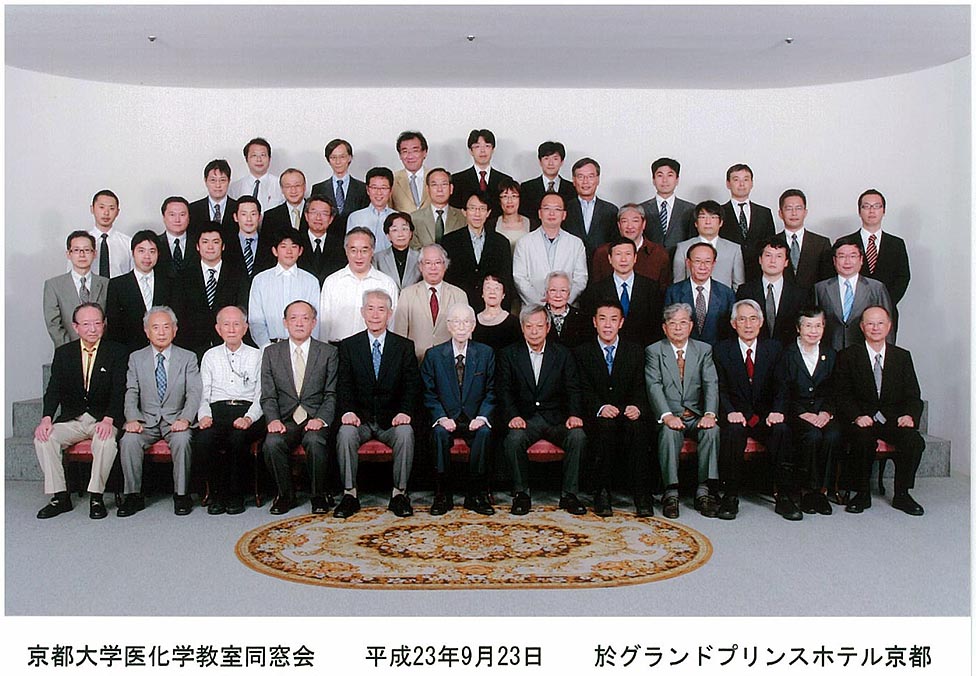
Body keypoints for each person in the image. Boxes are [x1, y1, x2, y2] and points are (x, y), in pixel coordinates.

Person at [34, 303, 127, 520]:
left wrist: (109, 418)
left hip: (102, 419)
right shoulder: (64, 353)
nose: (92, 329)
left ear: (104, 324)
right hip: (73, 419)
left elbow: (120, 390)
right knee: (44, 438)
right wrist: (46, 418)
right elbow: (53, 390)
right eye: (86, 324)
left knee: (105, 441)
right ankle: (60, 496)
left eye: (97, 323)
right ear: (76, 327)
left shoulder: (117, 352)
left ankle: (96, 496)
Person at [335, 290, 421, 518]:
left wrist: (405, 412)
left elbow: (411, 385)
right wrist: (348, 411)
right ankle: (350, 494)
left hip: (391, 420)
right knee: (345, 433)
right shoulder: (348, 346)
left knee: (405, 432)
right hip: (360, 420)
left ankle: (399, 494)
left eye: (381, 309)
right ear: (362, 312)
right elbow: (343, 384)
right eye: (370, 309)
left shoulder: (403, 346)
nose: (375, 315)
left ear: (389, 314)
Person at [834, 306, 925, 516]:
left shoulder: (902, 356)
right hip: (863, 419)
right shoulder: (848, 356)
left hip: (893, 420)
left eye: (880, 323)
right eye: (870, 323)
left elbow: (913, 395)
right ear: (862, 327)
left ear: (889, 326)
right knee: (862, 440)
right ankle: (862, 493)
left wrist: (909, 416)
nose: (875, 328)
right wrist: (856, 416)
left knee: (914, 441)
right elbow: (841, 394)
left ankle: (902, 494)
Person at [496, 304, 586, 516]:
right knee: (514, 439)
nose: (534, 331)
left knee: (578, 436)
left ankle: (570, 495)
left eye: (539, 326)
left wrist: (574, 414)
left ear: (548, 327)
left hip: (556, 419)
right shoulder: (509, 354)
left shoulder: (562, 354)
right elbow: (504, 390)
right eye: (529, 326)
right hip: (526, 419)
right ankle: (521, 494)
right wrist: (513, 416)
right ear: (522, 328)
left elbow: (573, 388)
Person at [117, 306, 202, 517]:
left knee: (183, 440)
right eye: (156, 327)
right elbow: (131, 391)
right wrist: (132, 418)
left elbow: (194, 392)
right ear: (147, 331)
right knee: (129, 440)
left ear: (175, 329)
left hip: (176, 419)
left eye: (166, 327)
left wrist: (185, 418)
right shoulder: (136, 358)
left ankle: (181, 495)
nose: (161, 332)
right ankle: (133, 495)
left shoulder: (188, 357)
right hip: (146, 420)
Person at [712, 299, 792, 520]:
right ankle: (730, 497)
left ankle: (784, 497)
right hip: (736, 415)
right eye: (742, 319)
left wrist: (777, 411)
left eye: (753, 319)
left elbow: (782, 386)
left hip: (766, 416)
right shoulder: (721, 350)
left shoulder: (774, 348)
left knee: (782, 430)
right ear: (733, 323)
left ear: (761, 322)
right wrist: (729, 411)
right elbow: (719, 388)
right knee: (732, 432)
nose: (748, 325)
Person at [574, 300, 653, 517]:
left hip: (627, 411)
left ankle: (642, 496)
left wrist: (636, 407)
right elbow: (582, 389)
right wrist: (600, 407)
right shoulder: (582, 352)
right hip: (598, 414)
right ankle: (602, 493)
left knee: (638, 428)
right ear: (594, 322)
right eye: (602, 319)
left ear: (621, 323)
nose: (607, 325)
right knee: (604, 427)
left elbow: (641, 386)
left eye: (613, 319)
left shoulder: (635, 351)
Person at [259, 300, 338, 515]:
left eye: (305, 318)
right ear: (285, 323)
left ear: (314, 322)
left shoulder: (328, 352)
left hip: (315, 417)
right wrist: (273, 419)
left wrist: (321, 419)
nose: (299, 323)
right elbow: (268, 394)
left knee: (315, 440)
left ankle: (318, 495)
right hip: (285, 419)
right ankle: (286, 495)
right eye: (293, 318)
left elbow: (331, 394)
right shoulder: (271, 353)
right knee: (272, 443)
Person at [644, 302, 720, 519]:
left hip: (695, 415)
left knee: (712, 431)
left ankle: (704, 491)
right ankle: (671, 493)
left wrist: (709, 414)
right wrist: (667, 415)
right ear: (664, 327)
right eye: (672, 323)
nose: (678, 328)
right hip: (670, 415)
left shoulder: (703, 350)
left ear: (691, 326)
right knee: (669, 433)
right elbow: (653, 386)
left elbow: (711, 383)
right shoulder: (654, 351)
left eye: (683, 322)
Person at [420, 303, 496, 515]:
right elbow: (428, 393)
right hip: (446, 418)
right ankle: (442, 495)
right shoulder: (434, 355)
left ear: (473, 326)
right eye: (456, 322)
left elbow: (492, 391)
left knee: (485, 432)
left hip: (474, 418)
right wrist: (441, 417)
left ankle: (476, 494)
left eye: (466, 322)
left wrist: (482, 417)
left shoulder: (486, 353)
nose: (461, 327)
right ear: (448, 325)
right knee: (438, 433)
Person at [195, 306, 265, 515]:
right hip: (217, 411)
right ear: (218, 329)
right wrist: (204, 416)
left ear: (245, 328)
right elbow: (203, 393)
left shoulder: (257, 355)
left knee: (237, 438)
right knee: (205, 438)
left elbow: (261, 395)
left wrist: (249, 418)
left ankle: (236, 494)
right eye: (226, 324)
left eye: (237, 324)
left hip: (247, 410)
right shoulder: (210, 355)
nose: (232, 329)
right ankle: (217, 494)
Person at [774, 308, 841, 516]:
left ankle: (822, 492)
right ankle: (807, 492)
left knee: (833, 435)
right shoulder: (787, 354)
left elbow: (835, 390)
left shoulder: (831, 354)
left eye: (818, 325)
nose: (813, 331)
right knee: (812, 436)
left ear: (824, 327)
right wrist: (802, 413)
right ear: (798, 328)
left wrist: (826, 413)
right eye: (808, 325)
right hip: (797, 414)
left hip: (822, 413)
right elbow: (782, 390)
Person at [835, 189, 911, 339]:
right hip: (850, 315)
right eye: (866, 206)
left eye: (876, 206)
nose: (871, 211)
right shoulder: (845, 243)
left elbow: (903, 277)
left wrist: (883, 304)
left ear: (884, 211)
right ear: (859, 211)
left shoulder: (896, 244)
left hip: (884, 314)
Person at [170, 224, 249, 361]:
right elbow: (178, 312)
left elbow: (242, 308)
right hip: (192, 347)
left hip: (229, 346)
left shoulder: (238, 275)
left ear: (223, 246)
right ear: (197, 246)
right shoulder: (183, 276)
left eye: (216, 242)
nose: (210, 247)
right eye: (205, 242)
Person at [319, 227, 399, 343]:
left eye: (364, 250)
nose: (359, 256)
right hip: (337, 346)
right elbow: (323, 325)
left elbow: (392, 323)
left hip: (373, 347)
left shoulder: (386, 283)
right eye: (353, 250)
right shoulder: (332, 281)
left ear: (372, 251)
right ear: (346, 251)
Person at [813, 240, 893, 352]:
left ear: (861, 260)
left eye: (852, 256)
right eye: (842, 256)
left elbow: (887, 326)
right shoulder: (820, 288)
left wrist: (887, 355)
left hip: (863, 352)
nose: (847, 261)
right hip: (830, 352)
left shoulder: (876, 288)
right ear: (834, 261)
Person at [582, 237, 662, 346]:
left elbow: (656, 326)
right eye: (618, 254)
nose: (623, 259)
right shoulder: (595, 290)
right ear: (610, 259)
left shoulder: (651, 288)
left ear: (635, 258)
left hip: (643, 349)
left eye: (628, 254)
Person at [441, 192, 514, 312]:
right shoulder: (449, 241)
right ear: (464, 212)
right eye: (472, 208)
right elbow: (446, 280)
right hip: (459, 308)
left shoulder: (501, 242)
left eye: (482, 209)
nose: (477, 213)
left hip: (491, 310)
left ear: (488, 213)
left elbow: (506, 281)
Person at [394, 244, 468, 361]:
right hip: (415, 361)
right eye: (428, 263)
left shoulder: (459, 295)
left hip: (449, 362)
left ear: (445, 265)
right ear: (420, 266)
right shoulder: (407, 294)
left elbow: (466, 334)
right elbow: (399, 336)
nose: (433, 268)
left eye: (438, 263)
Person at [248, 230, 321, 347]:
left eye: (294, 246)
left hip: (303, 347)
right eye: (283, 246)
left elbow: (315, 320)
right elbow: (256, 321)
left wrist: (307, 347)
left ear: (300, 251)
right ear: (274, 251)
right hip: (270, 346)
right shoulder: (260, 280)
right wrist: (267, 347)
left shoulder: (311, 281)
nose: (289, 251)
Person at [512, 193, 588, 306]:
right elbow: (520, 278)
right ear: (540, 213)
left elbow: (580, 279)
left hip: (567, 307)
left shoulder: (576, 243)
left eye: (557, 209)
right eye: (547, 208)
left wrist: (562, 301)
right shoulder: (524, 243)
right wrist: (541, 302)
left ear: (564, 215)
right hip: (533, 308)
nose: (552, 213)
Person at [106, 230, 172, 353]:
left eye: (152, 251)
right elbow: (114, 326)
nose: (147, 256)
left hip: (165, 350)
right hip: (129, 351)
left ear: (158, 254)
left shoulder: (170, 283)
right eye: (141, 251)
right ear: (133, 253)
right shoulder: (117, 285)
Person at [45, 230, 109, 348]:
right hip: (67, 351)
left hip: (102, 350)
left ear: (94, 253)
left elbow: (109, 320)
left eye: (87, 250)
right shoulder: (54, 285)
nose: (82, 254)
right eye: (76, 250)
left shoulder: (107, 284)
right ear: (68, 254)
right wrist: (71, 350)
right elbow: (53, 324)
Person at [663, 242, 735, 346]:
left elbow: (730, 331)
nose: (703, 266)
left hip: (717, 351)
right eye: (697, 261)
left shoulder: (726, 293)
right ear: (688, 263)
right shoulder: (673, 292)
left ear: (714, 264)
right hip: (684, 350)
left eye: (707, 261)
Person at [735, 239, 805, 345]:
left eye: (779, 256)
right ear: (760, 260)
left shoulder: (800, 294)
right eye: (768, 255)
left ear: (786, 262)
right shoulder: (745, 291)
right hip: (756, 351)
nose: (773, 261)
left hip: (788, 351)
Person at [590, 203, 671, 294]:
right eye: (624, 221)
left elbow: (665, 291)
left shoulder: (659, 253)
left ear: (643, 224)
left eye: (635, 221)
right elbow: (595, 290)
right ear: (619, 225)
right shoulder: (602, 253)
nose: (629, 226)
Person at [719, 164, 776, 282]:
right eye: (736, 180)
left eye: (746, 179)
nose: (741, 184)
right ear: (728, 184)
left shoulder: (764, 213)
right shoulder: (719, 213)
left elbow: (771, 245)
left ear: (752, 183)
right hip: (727, 274)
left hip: (758, 274)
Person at [673, 200, 745, 291]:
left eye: (713, 217)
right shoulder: (683, 248)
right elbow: (678, 284)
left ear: (721, 222)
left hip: (724, 299)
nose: (708, 222)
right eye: (703, 217)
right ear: (696, 223)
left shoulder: (734, 249)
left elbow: (738, 285)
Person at [772, 189, 833, 291]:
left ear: (805, 212)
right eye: (789, 209)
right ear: (780, 213)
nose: (794, 213)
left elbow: (827, 280)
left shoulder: (821, 243)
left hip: (813, 299)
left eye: (798, 208)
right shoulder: (771, 243)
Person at [562, 157, 618, 267]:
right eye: (580, 176)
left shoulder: (611, 210)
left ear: (598, 180)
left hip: (602, 268)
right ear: (574, 181)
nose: (585, 181)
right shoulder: (564, 209)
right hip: (570, 267)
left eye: (590, 176)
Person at [448, 128, 513, 219]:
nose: (482, 150)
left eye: (487, 146)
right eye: (477, 146)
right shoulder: (457, 180)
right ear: (470, 151)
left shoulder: (505, 180)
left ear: (493, 149)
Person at [310, 138, 370, 232]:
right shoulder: (318, 189)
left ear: (349, 158)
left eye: (342, 157)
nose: (338, 162)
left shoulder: (362, 188)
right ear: (328, 160)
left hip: (355, 237)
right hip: (328, 238)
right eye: (333, 157)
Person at [640, 157, 694, 252]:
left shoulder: (690, 209)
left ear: (677, 180)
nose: (665, 180)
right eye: (660, 175)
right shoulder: (641, 209)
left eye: (670, 175)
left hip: (680, 258)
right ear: (653, 180)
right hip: (650, 258)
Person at [518, 141, 577, 228]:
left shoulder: (572, 188)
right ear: (540, 161)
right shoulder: (526, 188)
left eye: (555, 159)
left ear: (562, 162)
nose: (550, 163)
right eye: (546, 158)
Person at [222, 195, 276, 280]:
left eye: (253, 214)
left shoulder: (270, 244)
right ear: (235, 217)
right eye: (244, 214)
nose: (249, 219)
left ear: (259, 217)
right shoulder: (226, 245)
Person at [296, 194, 346, 286]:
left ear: (331, 219)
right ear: (306, 216)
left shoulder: (340, 245)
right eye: (314, 212)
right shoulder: (296, 242)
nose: (318, 217)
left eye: (324, 213)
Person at [410, 167, 466, 248]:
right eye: (434, 185)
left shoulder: (463, 217)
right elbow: (414, 249)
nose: (440, 189)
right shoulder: (414, 218)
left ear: (451, 189)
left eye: (444, 184)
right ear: (427, 189)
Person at [346, 167, 397, 252]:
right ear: (367, 190)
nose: (379, 192)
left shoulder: (397, 218)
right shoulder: (355, 217)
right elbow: (350, 248)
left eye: (383, 188)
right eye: (374, 187)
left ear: (390, 191)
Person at [227, 137, 283, 213]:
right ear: (246, 159)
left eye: (263, 155)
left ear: (269, 159)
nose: (259, 159)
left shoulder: (280, 185)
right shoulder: (235, 188)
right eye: (254, 155)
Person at [87, 189, 132, 279]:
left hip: (119, 287)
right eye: (101, 207)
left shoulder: (127, 243)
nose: (106, 213)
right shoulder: (81, 242)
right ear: (92, 209)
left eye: (111, 208)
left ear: (117, 212)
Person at [188, 159, 237, 240]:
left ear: (229, 181)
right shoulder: (193, 209)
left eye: (222, 180)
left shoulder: (238, 208)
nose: (218, 185)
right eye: (213, 180)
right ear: (205, 181)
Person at [373, 212, 422, 290]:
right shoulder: (377, 258)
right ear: (388, 236)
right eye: (395, 230)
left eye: (404, 229)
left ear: (411, 233)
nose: (400, 234)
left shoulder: (420, 257)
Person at [472, 274, 521, 351]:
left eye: (497, 288)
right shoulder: (472, 321)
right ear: (482, 293)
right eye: (488, 287)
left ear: (503, 294)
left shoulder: (513, 322)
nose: (492, 292)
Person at [542, 271, 590, 348]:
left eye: (563, 290)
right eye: (553, 290)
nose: (558, 295)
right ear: (546, 293)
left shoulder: (582, 319)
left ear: (569, 294)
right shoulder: (537, 316)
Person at [261, 168, 309, 240]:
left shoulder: (316, 213)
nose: (293, 190)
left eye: (297, 185)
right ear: (282, 189)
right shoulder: (270, 216)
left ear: (304, 187)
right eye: (288, 186)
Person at [156, 196, 197, 280]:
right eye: (172, 214)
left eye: (182, 214)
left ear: (189, 218)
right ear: (164, 217)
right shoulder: (155, 243)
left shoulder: (199, 243)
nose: (177, 220)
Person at [391, 130, 430, 212]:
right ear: (400, 155)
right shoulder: (392, 180)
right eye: (405, 151)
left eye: (415, 151)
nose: (410, 156)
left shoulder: (435, 177)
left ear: (425, 152)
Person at [494, 178, 531, 254]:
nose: (509, 201)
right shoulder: (491, 225)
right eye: (505, 196)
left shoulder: (532, 224)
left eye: (514, 196)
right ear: (499, 200)